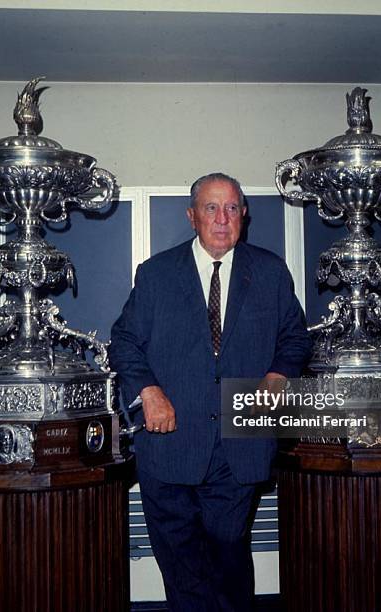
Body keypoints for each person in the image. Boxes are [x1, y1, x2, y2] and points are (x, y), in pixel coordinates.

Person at [110, 172, 311, 611]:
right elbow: (124, 341)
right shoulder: (158, 274)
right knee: (180, 564)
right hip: (169, 443)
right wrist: (148, 391)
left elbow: (295, 338)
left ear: (244, 214)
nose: (223, 219)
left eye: (232, 208)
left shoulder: (270, 272)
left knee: (228, 554)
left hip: (239, 443)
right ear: (192, 216)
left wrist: (277, 375)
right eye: (211, 208)